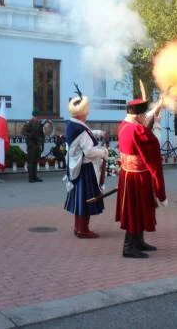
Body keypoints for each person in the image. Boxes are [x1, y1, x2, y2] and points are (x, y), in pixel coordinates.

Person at [116, 96, 167, 259]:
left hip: (128, 174)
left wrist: (157, 107)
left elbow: (144, 122)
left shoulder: (125, 125)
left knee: (138, 209)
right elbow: (154, 145)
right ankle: (129, 247)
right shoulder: (138, 130)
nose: (146, 116)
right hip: (137, 177)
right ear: (138, 116)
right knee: (136, 210)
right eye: (143, 114)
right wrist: (157, 124)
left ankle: (138, 241)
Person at [63, 86, 108, 238]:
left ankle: (78, 227)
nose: (88, 113)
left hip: (76, 166)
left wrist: (96, 133)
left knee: (79, 199)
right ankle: (83, 229)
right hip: (85, 168)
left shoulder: (72, 124)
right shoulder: (80, 129)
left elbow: (85, 135)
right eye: (86, 111)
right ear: (81, 113)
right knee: (86, 199)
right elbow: (89, 151)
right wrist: (103, 153)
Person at [22, 111, 45, 183]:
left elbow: (42, 134)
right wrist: (30, 136)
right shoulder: (29, 123)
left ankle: (35, 176)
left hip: (37, 144)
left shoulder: (40, 124)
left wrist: (42, 140)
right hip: (31, 144)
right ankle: (30, 177)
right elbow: (23, 132)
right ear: (34, 116)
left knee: (36, 161)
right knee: (31, 161)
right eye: (37, 116)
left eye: (38, 116)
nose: (38, 118)